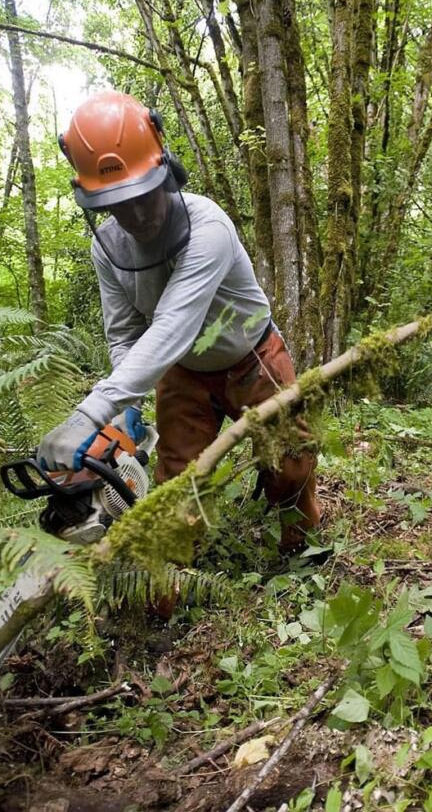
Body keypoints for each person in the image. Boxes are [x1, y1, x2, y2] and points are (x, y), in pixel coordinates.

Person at [36, 91, 320, 554]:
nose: (135, 214)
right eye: (116, 203)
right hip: (183, 373)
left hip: (252, 357)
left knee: (290, 466)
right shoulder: (108, 247)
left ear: (164, 171)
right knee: (176, 489)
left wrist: (90, 413)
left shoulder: (208, 227)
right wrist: (126, 410)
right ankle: (170, 585)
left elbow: (172, 325)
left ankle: (301, 553)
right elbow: (126, 332)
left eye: (142, 195)